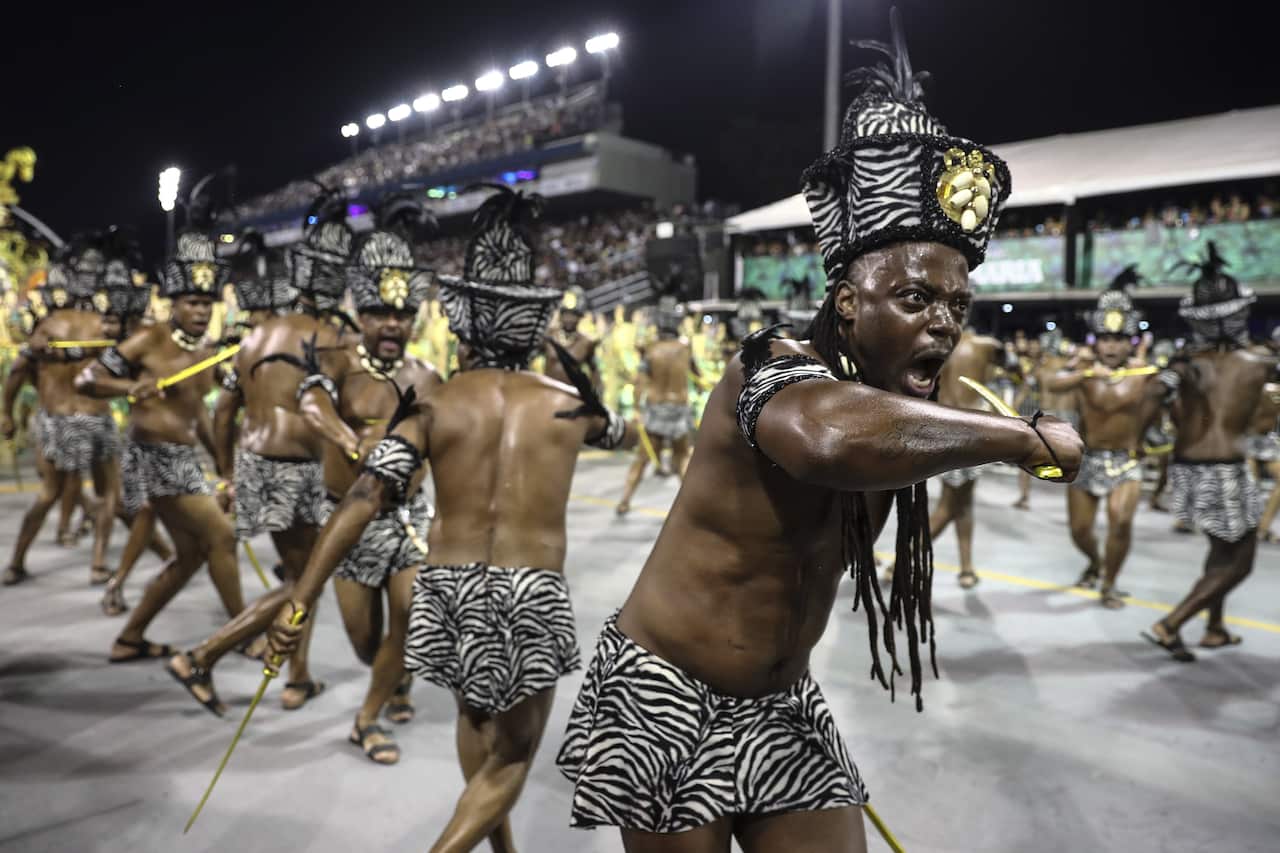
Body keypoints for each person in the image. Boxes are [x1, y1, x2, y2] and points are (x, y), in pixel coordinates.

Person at [555, 14, 1081, 851]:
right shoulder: (770, 361)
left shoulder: (902, 413)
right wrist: (1015, 437)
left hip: (783, 701)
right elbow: (826, 441)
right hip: (666, 687)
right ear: (848, 302)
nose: (942, 325)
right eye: (914, 299)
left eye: (956, 306)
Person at [267, 185, 628, 847]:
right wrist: (581, 377)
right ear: (529, 324)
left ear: (462, 321)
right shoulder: (570, 407)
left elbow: (364, 495)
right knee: (513, 755)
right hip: (528, 590)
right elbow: (623, 434)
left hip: (449, 588)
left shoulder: (433, 402)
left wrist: (300, 598)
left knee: (478, 727)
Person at [258, 194, 442, 759]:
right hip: (344, 518)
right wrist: (348, 438)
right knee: (365, 641)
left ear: (413, 317)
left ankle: (368, 717)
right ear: (360, 314)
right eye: (380, 314)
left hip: (407, 523)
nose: (391, 324)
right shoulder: (335, 360)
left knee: (408, 616)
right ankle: (391, 676)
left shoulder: (427, 376)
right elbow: (309, 400)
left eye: (402, 314)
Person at [165, 208, 356, 714]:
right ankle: (202, 656)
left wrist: (229, 473)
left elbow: (225, 410)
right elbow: (342, 419)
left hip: (252, 464)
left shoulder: (257, 335)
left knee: (300, 576)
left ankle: (298, 678)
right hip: (293, 469)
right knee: (303, 582)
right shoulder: (332, 341)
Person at [75, 221, 246, 663]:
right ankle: (241, 633)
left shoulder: (206, 352)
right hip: (151, 456)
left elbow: (201, 416)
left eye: (207, 303)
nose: (201, 311)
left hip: (184, 458)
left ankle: (129, 638)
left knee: (190, 556)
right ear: (173, 303)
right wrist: (127, 390)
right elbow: (87, 379)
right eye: (192, 302)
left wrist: (224, 468)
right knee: (222, 539)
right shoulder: (148, 339)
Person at [1145, 244, 1277, 660]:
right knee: (1240, 564)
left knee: (1221, 552)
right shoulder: (1257, 360)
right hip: (1225, 471)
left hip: (1187, 468)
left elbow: (1152, 391)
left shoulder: (1184, 362)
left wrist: (1146, 438)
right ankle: (1170, 624)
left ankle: (1215, 628)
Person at [2, 244, 121, 587]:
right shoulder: (103, 327)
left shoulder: (47, 328)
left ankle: (16, 562)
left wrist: (6, 413)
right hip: (95, 416)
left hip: (57, 418)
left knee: (48, 493)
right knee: (106, 493)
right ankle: (98, 564)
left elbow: (17, 371)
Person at [1046, 278, 1163, 607]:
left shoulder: (1144, 373)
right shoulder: (1084, 369)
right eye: (1106, 339)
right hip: (1087, 460)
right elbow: (1052, 384)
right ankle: (1096, 563)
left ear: (1131, 342)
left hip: (1126, 462)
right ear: (1097, 341)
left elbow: (1167, 397)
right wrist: (1084, 373)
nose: (1112, 346)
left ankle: (1109, 584)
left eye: (1120, 339)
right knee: (1080, 531)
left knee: (1120, 521)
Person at [926, 328, 1006, 589]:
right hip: (968, 432)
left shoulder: (935, 345)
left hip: (948, 430)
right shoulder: (986, 345)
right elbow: (1011, 366)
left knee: (962, 505)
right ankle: (905, 559)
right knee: (948, 507)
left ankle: (966, 566)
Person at [616, 296, 698, 515]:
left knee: (642, 459)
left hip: (657, 408)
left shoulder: (650, 349)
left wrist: (635, 408)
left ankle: (625, 500)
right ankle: (692, 506)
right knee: (682, 459)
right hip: (679, 408)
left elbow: (640, 383)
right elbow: (696, 374)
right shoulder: (686, 348)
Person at [544, 285, 598, 388]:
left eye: (573, 315)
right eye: (566, 315)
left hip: (572, 396)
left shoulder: (586, 342)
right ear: (560, 316)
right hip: (548, 394)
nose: (569, 319)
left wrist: (594, 396)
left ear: (580, 317)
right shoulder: (548, 337)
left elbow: (594, 370)